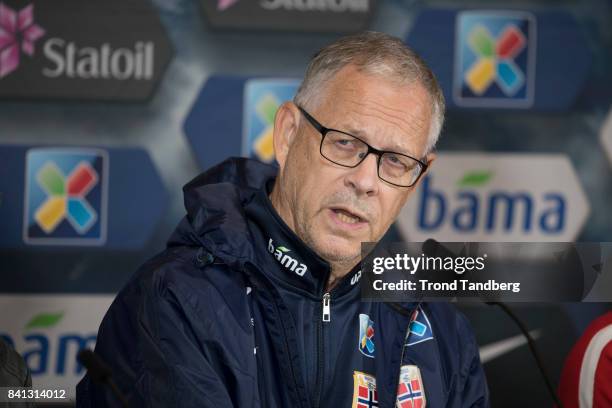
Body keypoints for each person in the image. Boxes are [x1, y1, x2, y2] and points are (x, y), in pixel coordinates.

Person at [77, 31, 489, 407]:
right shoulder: (177, 301)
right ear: (288, 134)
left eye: (396, 161)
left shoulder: (442, 331)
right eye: (345, 144)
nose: (365, 181)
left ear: (416, 179)